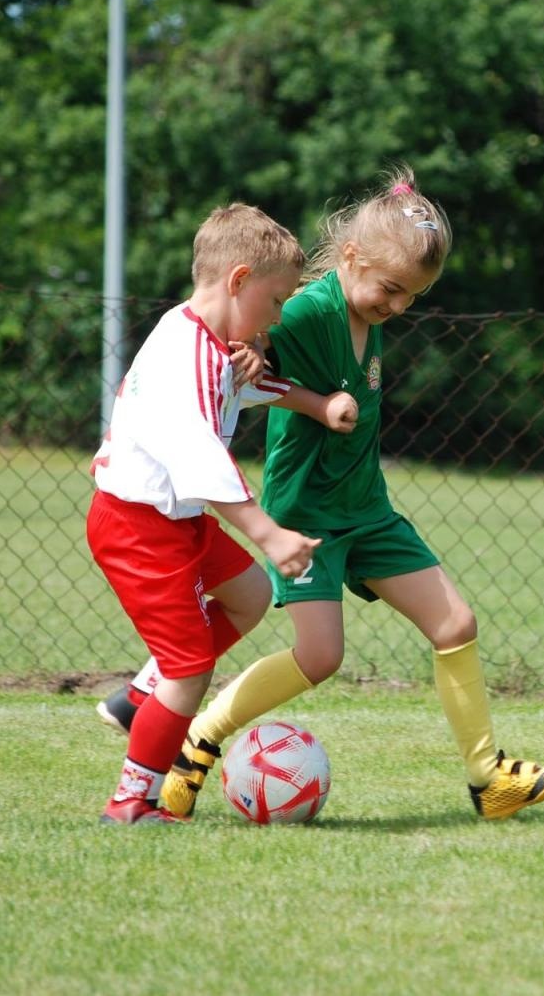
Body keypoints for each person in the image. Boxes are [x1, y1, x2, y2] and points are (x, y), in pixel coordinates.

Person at [99, 169, 544, 821]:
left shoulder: (366, 313)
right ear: (351, 258)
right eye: (391, 289)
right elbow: (237, 334)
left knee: (455, 622)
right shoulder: (307, 308)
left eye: (412, 295)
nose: (398, 306)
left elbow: (249, 349)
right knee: (321, 656)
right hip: (309, 512)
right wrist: (257, 361)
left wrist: (319, 399)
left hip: (367, 509)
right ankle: (196, 740)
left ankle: (488, 780)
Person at [88, 203, 359, 825]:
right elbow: (199, 457)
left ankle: (141, 699)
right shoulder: (189, 355)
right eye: (275, 300)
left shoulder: (205, 341)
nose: (279, 315)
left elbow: (239, 387)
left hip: (171, 521)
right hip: (139, 528)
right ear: (238, 281)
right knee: (190, 672)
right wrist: (269, 532)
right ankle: (131, 802)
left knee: (249, 595)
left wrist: (316, 406)